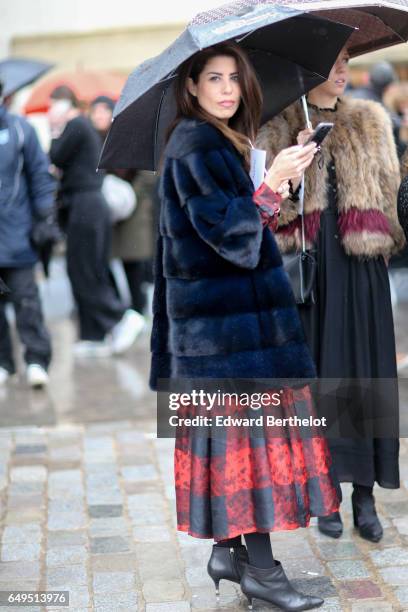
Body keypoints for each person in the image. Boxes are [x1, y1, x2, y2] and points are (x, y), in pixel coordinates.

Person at [150, 42, 341, 611]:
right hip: (225, 337)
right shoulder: (194, 144)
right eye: (215, 78)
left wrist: (282, 168)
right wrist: (268, 185)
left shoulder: (220, 142)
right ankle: (262, 571)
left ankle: (229, 553)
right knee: (248, 449)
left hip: (220, 331)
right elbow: (230, 239)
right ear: (192, 87)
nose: (228, 89)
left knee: (233, 447)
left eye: (235, 77)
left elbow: (235, 227)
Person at [257, 48, 405, 544]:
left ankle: (365, 493)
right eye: (331, 64)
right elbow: (269, 214)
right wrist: (296, 169)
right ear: (307, 71)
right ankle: (326, 495)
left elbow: (391, 199)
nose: (342, 73)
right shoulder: (278, 128)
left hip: (362, 271)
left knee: (365, 376)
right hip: (310, 276)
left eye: (346, 63)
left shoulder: (369, 120)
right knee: (322, 381)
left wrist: (387, 240)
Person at [48, 86, 144, 357]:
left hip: (85, 205)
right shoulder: (82, 127)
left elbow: (54, 156)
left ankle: (120, 317)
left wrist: (55, 127)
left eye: (53, 105)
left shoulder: (76, 125)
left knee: (84, 271)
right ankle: (94, 335)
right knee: (85, 269)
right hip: (87, 205)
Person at [0, 79, 56, 388]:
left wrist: (44, 217)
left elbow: (39, 175)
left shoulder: (21, 129)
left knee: (26, 302)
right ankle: (4, 363)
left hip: (18, 236)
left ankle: (37, 360)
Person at [89, 96, 156, 317]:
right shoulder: (91, 140)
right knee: (104, 260)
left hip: (134, 210)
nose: (99, 116)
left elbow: (148, 172)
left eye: (104, 111)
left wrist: (129, 195)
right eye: (95, 112)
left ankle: (138, 308)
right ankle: (120, 308)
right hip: (108, 209)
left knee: (133, 261)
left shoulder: (129, 135)